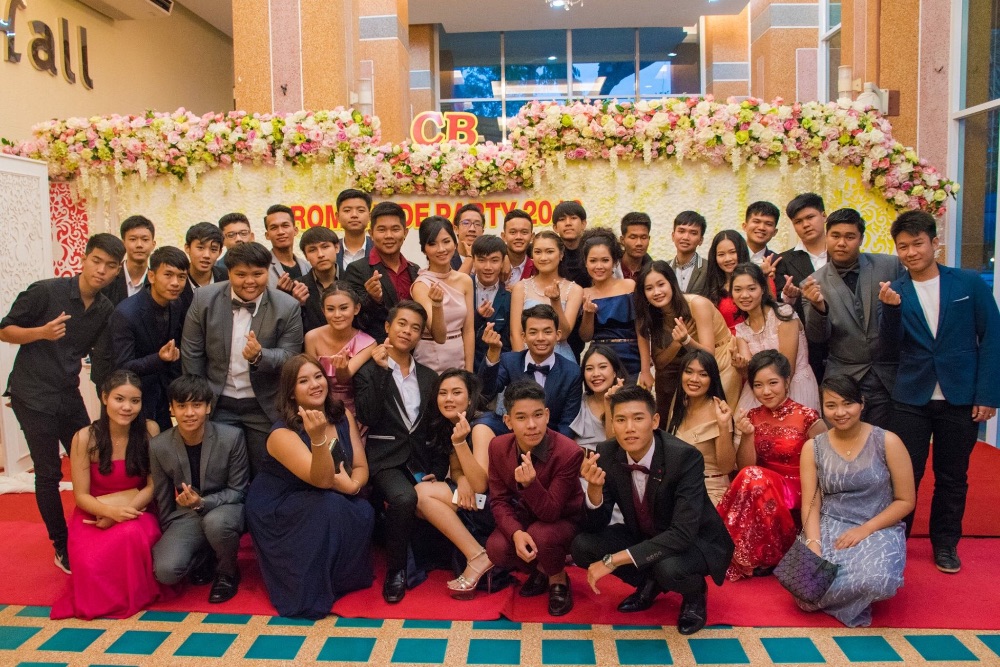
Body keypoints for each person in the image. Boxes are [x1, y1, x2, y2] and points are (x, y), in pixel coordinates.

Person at [878, 210, 1000, 574]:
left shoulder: (968, 283)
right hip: (910, 396)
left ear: (935, 243)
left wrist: (987, 395)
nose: (911, 252)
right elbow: (888, 349)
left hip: (959, 395)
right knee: (905, 475)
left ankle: (945, 544)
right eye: (903, 246)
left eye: (917, 244)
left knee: (952, 476)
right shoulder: (894, 290)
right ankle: (895, 543)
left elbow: (992, 338)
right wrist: (890, 311)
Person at [1, 233, 125, 573]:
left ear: (117, 271)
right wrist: (40, 332)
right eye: (96, 261)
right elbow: (5, 329)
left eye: (110, 266)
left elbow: (101, 357)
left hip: (68, 393)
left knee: (93, 458)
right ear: (83, 259)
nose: (101, 270)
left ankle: (95, 529)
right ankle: (61, 544)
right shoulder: (46, 291)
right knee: (49, 473)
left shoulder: (104, 308)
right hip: (32, 394)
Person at [572, 385, 735, 635]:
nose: (629, 428)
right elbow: (595, 524)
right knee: (583, 546)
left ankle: (694, 593)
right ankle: (651, 582)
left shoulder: (684, 458)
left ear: (655, 421)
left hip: (695, 541)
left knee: (668, 568)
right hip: (645, 533)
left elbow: (682, 533)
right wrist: (594, 490)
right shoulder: (607, 452)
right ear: (612, 424)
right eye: (621, 420)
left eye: (638, 418)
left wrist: (613, 560)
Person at [247, 355, 374, 618]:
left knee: (363, 510)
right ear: (291, 393)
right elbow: (322, 480)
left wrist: (353, 486)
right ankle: (309, 587)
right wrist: (317, 439)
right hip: (280, 503)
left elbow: (361, 466)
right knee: (329, 507)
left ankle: (338, 580)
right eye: (303, 381)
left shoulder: (342, 415)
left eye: (318, 377)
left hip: (330, 489)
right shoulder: (281, 434)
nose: (315, 385)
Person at [796, 375, 914, 627]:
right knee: (804, 593)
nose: (840, 413)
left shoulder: (887, 441)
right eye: (831, 405)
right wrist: (813, 543)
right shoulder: (813, 448)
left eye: (847, 403)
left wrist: (865, 529)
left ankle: (853, 591)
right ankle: (851, 595)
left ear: (862, 403)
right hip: (830, 524)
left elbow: (905, 501)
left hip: (878, 526)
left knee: (878, 581)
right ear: (822, 408)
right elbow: (811, 503)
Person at [181, 241, 304, 477]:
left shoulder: (287, 306)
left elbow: (291, 356)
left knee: (267, 473)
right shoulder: (204, 299)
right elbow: (192, 354)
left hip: (264, 405)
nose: (249, 281)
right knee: (219, 473)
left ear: (268, 271)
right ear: (228, 273)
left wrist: (260, 356)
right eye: (241, 275)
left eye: (257, 274)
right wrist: (199, 401)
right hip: (218, 403)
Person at [51, 370, 167, 620]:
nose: (127, 407)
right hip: (94, 514)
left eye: (135, 401)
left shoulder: (149, 430)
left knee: (130, 535)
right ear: (105, 398)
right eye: (119, 399)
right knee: (91, 563)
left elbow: (153, 485)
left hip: (138, 509)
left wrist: (123, 514)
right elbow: (81, 496)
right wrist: (109, 512)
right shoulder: (84, 437)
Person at [353, 301, 438, 603]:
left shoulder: (428, 376)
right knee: (404, 498)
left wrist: (439, 469)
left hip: (419, 459)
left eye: (415, 328)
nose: (407, 331)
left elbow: (433, 427)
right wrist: (381, 371)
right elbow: (368, 415)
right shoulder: (368, 370)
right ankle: (396, 570)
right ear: (388, 327)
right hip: (384, 457)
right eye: (402, 324)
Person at [717, 350, 827, 580]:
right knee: (752, 476)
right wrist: (747, 435)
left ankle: (744, 546)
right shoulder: (753, 416)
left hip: (798, 495)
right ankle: (744, 552)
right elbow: (746, 467)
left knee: (754, 477)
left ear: (787, 381)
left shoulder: (807, 416)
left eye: (772, 383)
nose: (765, 391)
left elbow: (826, 465)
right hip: (762, 489)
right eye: (758, 385)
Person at [487, 380, 584, 616]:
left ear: (547, 415)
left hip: (565, 520)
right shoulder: (498, 447)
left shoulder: (569, 452)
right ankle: (541, 569)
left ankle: (557, 578)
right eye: (521, 417)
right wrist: (516, 533)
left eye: (538, 415)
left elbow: (551, 512)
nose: (532, 425)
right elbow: (498, 501)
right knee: (497, 547)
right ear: (508, 421)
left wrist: (530, 485)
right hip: (527, 517)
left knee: (542, 535)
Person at [149, 375, 249, 604]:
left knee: (215, 523)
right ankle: (204, 554)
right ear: (171, 408)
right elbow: (163, 498)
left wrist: (202, 503)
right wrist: (173, 534)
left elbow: (238, 491)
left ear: (208, 407)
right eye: (182, 406)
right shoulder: (158, 445)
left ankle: (227, 573)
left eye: (196, 405)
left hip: (226, 509)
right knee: (166, 571)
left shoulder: (232, 437)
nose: (189, 413)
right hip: (187, 516)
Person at [802, 208, 903, 429]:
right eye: (835, 236)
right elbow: (817, 338)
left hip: (888, 376)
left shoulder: (890, 266)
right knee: (843, 443)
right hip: (843, 378)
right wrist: (819, 308)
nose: (841, 243)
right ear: (827, 237)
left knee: (886, 441)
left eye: (850, 237)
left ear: (861, 239)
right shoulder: (812, 283)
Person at [414, 370, 501, 598]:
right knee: (419, 502)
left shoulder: (481, 427)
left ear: (470, 398)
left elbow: (481, 484)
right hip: (474, 499)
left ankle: (477, 556)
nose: (448, 399)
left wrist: (460, 443)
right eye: (443, 393)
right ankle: (475, 555)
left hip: (495, 505)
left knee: (422, 494)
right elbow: (457, 470)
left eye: (456, 392)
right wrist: (461, 480)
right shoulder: (453, 424)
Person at [634, 261, 741, 423]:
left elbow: (709, 355)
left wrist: (686, 340)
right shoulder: (652, 313)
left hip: (721, 359)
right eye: (649, 288)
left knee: (715, 418)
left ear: (672, 283)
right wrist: (677, 343)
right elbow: (660, 363)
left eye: (661, 285)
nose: (657, 292)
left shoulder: (697, 304)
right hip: (689, 362)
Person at [111, 246, 189, 431]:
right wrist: (159, 359)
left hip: (163, 394)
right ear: (152, 276)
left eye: (181, 277)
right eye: (168, 275)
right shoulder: (126, 313)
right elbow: (123, 365)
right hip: (134, 397)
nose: (175, 283)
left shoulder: (176, 304)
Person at [482, 304, 583, 438]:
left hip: (552, 439)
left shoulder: (572, 372)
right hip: (514, 435)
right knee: (482, 424)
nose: (540, 338)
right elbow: (486, 392)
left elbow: (568, 423)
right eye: (533, 332)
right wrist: (493, 352)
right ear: (523, 337)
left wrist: (550, 448)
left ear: (557, 335)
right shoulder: (510, 361)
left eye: (547, 332)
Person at [731, 262, 820, 413]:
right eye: (737, 290)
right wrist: (741, 367)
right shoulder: (742, 330)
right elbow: (751, 373)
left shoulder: (783, 314)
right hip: (761, 391)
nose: (744, 295)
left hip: (793, 385)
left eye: (751, 289)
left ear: (763, 289)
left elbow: (788, 369)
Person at [578, 228, 652, 384]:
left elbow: (642, 330)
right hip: (600, 359)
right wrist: (588, 314)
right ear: (585, 262)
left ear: (615, 262)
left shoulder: (629, 286)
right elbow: (586, 337)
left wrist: (645, 370)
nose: (599, 266)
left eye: (605, 260)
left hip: (631, 356)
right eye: (593, 261)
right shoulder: (584, 293)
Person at [665, 351, 736, 506]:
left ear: (712, 379)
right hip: (680, 489)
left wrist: (723, 426)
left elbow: (726, 467)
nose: (694, 379)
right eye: (689, 372)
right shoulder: (679, 405)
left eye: (703, 374)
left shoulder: (719, 410)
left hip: (711, 491)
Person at [343, 201, 420, 343]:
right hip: (375, 350)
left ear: (405, 232)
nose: (389, 235)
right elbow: (355, 321)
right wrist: (373, 299)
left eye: (395, 229)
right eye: (382, 230)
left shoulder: (415, 270)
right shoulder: (357, 270)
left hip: (413, 350)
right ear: (371, 234)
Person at [775, 193, 829, 383]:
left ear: (824, 216)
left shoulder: (842, 254)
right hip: (805, 348)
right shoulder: (783, 260)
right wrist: (787, 297)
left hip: (844, 347)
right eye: (798, 221)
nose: (805, 224)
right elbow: (777, 304)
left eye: (810, 217)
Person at [410, 216, 475, 373]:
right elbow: (438, 335)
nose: (441, 249)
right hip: (430, 360)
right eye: (433, 244)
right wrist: (437, 304)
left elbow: (468, 330)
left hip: (458, 358)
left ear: (455, 243)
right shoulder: (421, 285)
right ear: (424, 249)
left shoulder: (465, 280)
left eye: (446, 241)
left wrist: (469, 371)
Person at [304, 282, 376, 419]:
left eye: (343, 308)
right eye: (330, 309)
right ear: (323, 311)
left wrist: (342, 368)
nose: (337, 315)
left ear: (356, 309)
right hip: (320, 407)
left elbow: (343, 379)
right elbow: (310, 378)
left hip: (353, 412)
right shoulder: (311, 337)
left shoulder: (368, 343)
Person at [510, 230, 583, 362]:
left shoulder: (574, 290)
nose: (543, 258)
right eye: (538, 252)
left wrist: (556, 301)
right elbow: (516, 334)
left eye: (549, 252)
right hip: (526, 359)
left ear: (561, 254)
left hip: (561, 361)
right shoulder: (520, 288)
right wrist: (521, 366)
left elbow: (563, 334)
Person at [570, 345, 627, 451]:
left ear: (614, 372)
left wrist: (610, 403)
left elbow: (614, 445)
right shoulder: (578, 402)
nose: (595, 374)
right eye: (589, 369)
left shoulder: (628, 403)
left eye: (603, 367)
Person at [472, 235, 512, 373]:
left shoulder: (509, 296)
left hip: (494, 370)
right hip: (462, 365)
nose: (488, 267)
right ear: (473, 261)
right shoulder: (463, 287)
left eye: (494, 260)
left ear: (502, 262)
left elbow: (507, 343)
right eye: (481, 260)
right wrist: (478, 316)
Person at [704, 229, 752, 333]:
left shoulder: (757, 281)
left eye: (733, 252)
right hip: (723, 342)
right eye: (721, 254)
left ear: (741, 252)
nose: (727, 259)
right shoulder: (711, 286)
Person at [102, 215, 155, 306]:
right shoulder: (108, 279)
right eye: (133, 239)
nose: (139, 245)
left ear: (153, 245)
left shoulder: (157, 282)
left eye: (145, 239)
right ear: (123, 244)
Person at [263, 204, 310, 304]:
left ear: (295, 230)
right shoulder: (262, 268)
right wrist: (280, 295)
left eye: (285, 226)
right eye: (274, 228)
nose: (280, 232)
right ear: (267, 235)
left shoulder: (307, 266)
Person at [298, 226, 342, 333]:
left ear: (337, 247)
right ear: (306, 256)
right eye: (312, 250)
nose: (320, 255)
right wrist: (297, 305)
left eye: (325, 247)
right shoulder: (297, 288)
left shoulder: (353, 279)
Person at [180, 222, 228, 314]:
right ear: (187, 248)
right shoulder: (177, 281)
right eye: (200, 248)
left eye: (213, 249)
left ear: (220, 252)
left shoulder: (227, 278)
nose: (206, 255)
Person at [668, 211, 708, 296]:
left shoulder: (709, 269)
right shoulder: (664, 269)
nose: (686, 237)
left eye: (693, 233)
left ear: (701, 240)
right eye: (681, 231)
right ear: (673, 236)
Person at [335, 189, 374, 275]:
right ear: (337, 217)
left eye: (361, 210)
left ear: (369, 216)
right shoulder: (331, 250)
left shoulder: (379, 249)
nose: (354, 215)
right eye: (347, 210)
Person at [553, 200, 590, 288]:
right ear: (555, 227)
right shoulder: (551, 253)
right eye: (562, 219)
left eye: (573, 218)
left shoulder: (592, 250)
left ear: (583, 224)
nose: (568, 223)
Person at [501, 208, 536, 287]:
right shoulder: (494, 265)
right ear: (504, 236)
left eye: (524, 232)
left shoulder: (537, 269)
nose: (518, 237)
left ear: (532, 237)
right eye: (513, 232)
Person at [742, 201, 780, 266]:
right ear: (745, 226)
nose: (761, 228)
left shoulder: (778, 263)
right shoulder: (732, 258)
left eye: (768, 224)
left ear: (775, 232)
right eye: (756, 222)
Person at [619, 212, 653, 281]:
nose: (639, 243)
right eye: (633, 237)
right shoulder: (610, 270)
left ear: (649, 239)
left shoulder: (654, 272)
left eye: (643, 237)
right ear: (622, 240)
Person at [452, 204, 485, 273]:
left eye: (477, 224)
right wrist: (470, 257)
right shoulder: (446, 259)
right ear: (456, 229)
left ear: (482, 231)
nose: (472, 229)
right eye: (466, 223)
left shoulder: (489, 259)